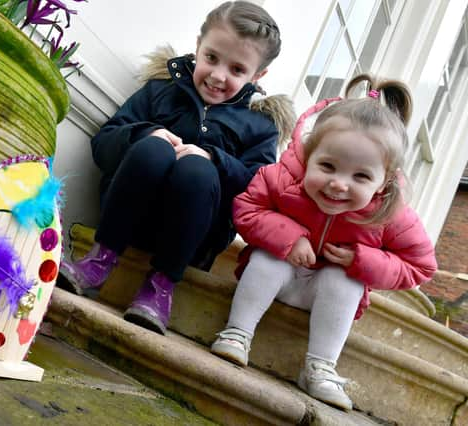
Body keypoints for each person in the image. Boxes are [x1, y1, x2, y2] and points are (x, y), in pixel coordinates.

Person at [58, 1, 292, 335]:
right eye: (211, 58)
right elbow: (104, 142)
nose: (217, 75)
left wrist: (213, 158)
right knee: (152, 147)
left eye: (237, 70)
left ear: (257, 76)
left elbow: (258, 188)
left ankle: (160, 287)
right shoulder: (160, 92)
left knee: (197, 169)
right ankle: (101, 258)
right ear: (198, 46)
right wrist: (145, 133)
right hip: (128, 213)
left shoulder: (260, 126)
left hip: (193, 235)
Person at [210, 74, 437, 410]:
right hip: (280, 276)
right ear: (309, 155)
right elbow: (247, 206)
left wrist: (361, 260)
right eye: (327, 166)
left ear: (383, 182)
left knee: (344, 280)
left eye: (360, 176)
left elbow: (420, 266)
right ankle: (237, 333)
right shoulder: (283, 178)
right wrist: (290, 237)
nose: (338, 185)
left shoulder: (392, 216)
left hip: (327, 296)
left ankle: (320, 367)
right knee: (269, 257)